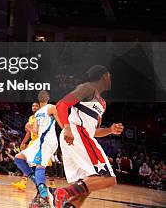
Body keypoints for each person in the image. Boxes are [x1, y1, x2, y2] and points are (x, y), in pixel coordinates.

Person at [53, 65, 124, 208]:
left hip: (80, 135)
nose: (111, 79)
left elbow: (94, 132)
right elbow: (61, 104)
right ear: (104, 76)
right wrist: (67, 128)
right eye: (109, 76)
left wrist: (110, 130)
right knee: (108, 179)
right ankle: (62, 192)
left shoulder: (102, 104)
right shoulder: (88, 88)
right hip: (76, 132)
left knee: (89, 183)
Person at [14, 91, 60, 208]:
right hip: (39, 141)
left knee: (41, 166)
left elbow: (61, 122)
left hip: (48, 141)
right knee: (18, 158)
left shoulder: (51, 107)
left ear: (48, 98)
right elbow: (36, 131)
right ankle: (40, 185)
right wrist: (29, 128)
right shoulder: (38, 113)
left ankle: (44, 196)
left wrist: (68, 131)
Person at [12, 101, 40, 191]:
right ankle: (24, 182)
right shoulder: (31, 117)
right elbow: (28, 132)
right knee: (26, 161)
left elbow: (36, 130)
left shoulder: (41, 116)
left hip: (39, 140)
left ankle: (43, 184)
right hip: (33, 141)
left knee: (41, 164)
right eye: (33, 105)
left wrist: (30, 127)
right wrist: (23, 142)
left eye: (36, 106)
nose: (34, 107)